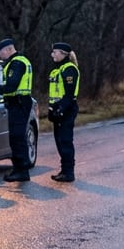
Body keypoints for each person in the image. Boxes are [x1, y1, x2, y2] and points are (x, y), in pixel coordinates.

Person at [0, 38, 33, 182]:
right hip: (17, 102)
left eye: (1, 51)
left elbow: (12, 85)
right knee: (16, 137)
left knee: (17, 138)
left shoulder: (17, 63)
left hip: (19, 102)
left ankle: (22, 170)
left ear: (9, 49)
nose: (0, 54)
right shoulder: (15, 62)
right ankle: (19, 169)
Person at [47, 42, 79, 182]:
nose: (52, 54)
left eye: (55, 52)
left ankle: (69, 172)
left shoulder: (70, 69)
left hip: (67, 109)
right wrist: (51, 109)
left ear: (63, 53)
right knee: (59, 141)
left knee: (65, 141)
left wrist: (61, 109)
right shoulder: (57, 70)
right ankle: (64, 170)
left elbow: (69, 94)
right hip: (58, 109)